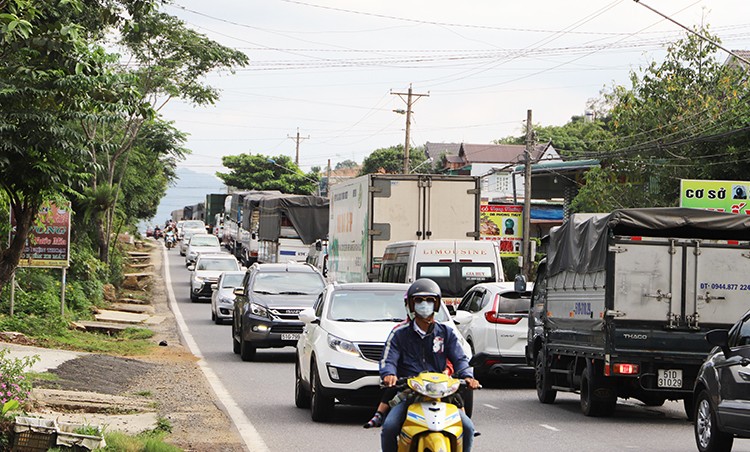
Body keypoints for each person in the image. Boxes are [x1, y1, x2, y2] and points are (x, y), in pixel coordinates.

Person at [378, 278, 480, 452]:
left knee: (468, 428)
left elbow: (460, 359)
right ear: (410, 304)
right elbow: (389, 359)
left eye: (429, 301)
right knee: (389, 427)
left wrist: (468, 376)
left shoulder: (446, 333)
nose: (424, 305)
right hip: (409, 394)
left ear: (437, 304)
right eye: (419, 300)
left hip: (441, 394)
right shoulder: (399, 334)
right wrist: (389, 374)